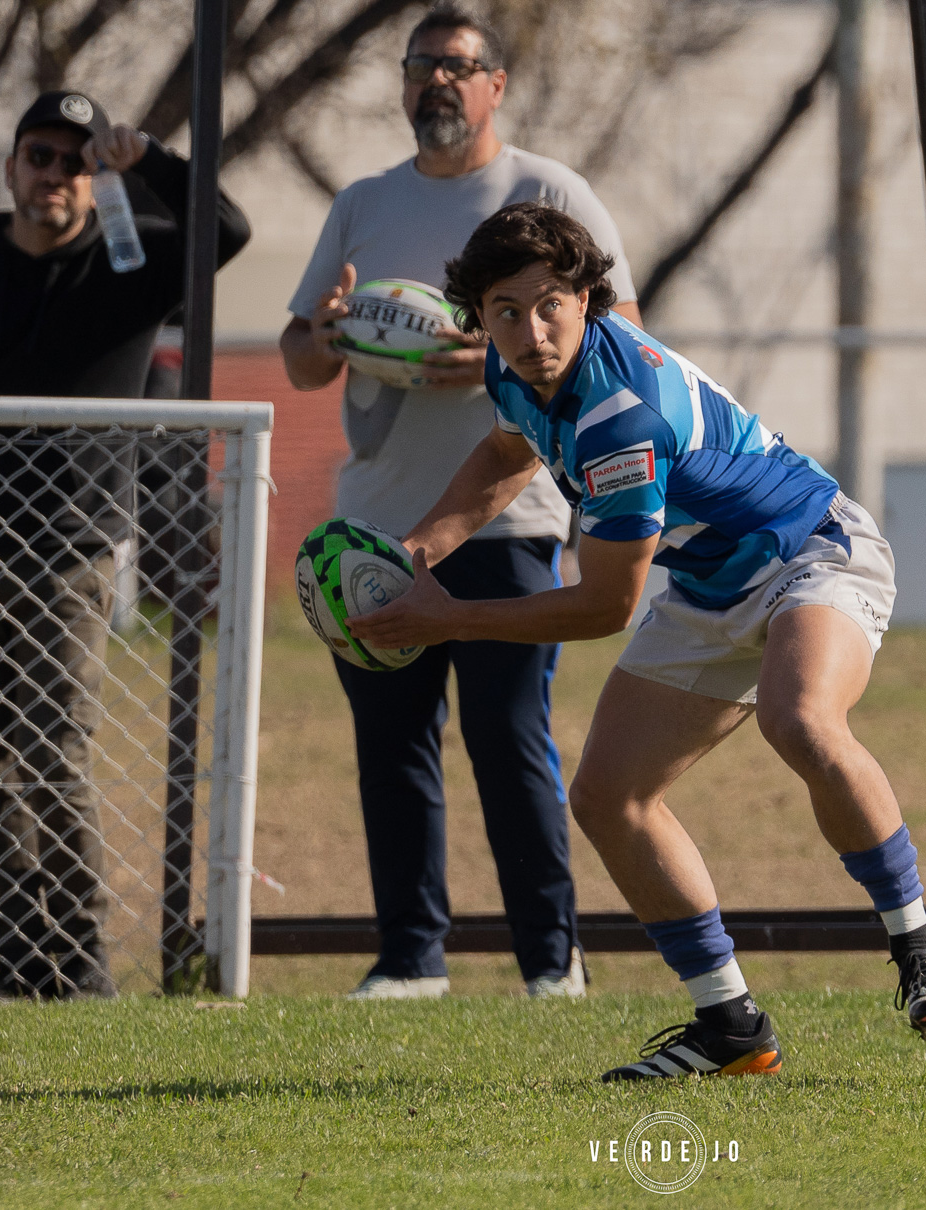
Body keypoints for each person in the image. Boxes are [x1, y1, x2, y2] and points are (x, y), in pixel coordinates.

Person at [353, 203, 926, 1081]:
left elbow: (606, 606)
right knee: (610, 797)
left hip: (812, 550)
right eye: (504, 310)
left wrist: (445, 616)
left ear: (586, 299)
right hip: (710, 584)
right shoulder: (513, 370)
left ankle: (920, 948)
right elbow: (506, 456)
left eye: (549, 305)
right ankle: (729, 1025)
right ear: (478, 316)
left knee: (799, 719)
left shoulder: (620, 420)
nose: (530, 331)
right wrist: (416, 553)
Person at [280, 3, 639, 1000]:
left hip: (512, 516)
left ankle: (550, 961)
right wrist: (337, 330)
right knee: (391, 745)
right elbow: (300, 355)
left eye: (457, 65)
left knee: (507, 734)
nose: (436, 80)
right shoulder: (362, 203)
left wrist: (486, 359)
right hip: (377, 522)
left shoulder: (547, 191)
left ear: (496, 86)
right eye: (419, 64)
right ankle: (409, 960)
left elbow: (622, 332)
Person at [0, 90, 250, 1000]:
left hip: (69, 552)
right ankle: (23, 959)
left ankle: (80, 964)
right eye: (41, 156)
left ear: (94, 176)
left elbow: (224, 228)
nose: (57, 176)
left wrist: (145, 157)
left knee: (52, 754)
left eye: (77, 162)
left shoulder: (135, 262)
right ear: (11, 167)